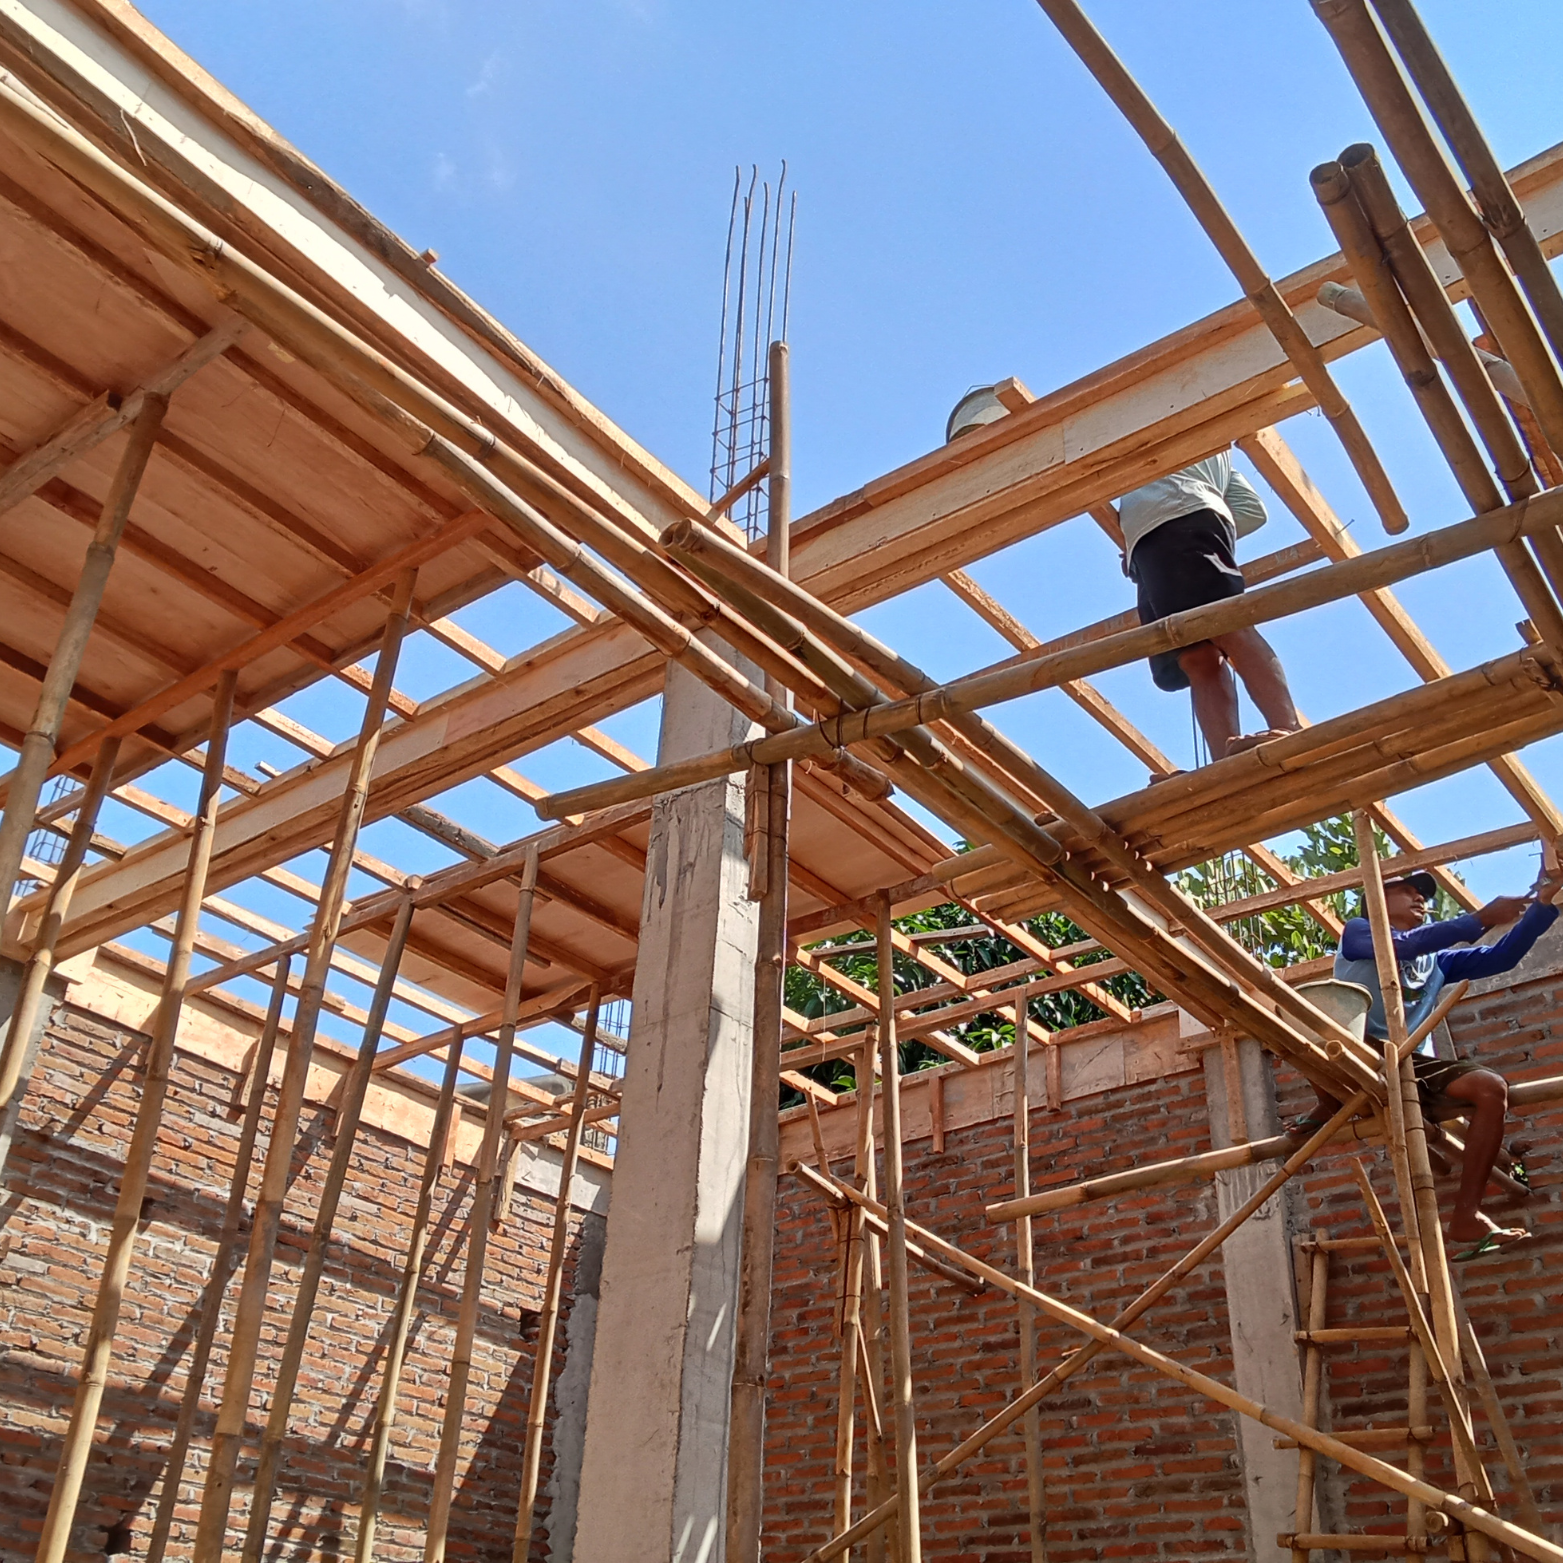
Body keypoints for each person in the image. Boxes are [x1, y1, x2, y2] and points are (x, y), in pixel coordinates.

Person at [1303, 865, 1562, 1259]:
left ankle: (1467, 1215)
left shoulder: (1437, 962)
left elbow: (1503, 957)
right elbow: (1402, 947)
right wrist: (1479, 918)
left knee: (1491, 1088)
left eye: (1422, 893)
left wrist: (1541, 905)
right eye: (1407, 890)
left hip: (1409, 1064)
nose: (1419, 897)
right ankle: (1327, 1102)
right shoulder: (1357, 932)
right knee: (1315, 1037)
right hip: (1359, 1052)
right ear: (1376, 900)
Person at [1118, 450, 1302, 760]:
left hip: (1179, 516)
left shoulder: (1194, 434)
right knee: (1195, 657)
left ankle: (1287, 728)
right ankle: (1226, 759)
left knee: (1227, 626)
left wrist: (1196, 509)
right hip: (1153, 541)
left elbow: (1251, 510)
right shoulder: (1218, 462)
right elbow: (1252, 509)